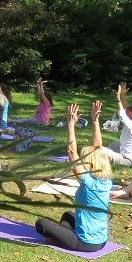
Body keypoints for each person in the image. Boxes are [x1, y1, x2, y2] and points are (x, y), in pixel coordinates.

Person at [35, 102, 112, 252]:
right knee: (67, 215)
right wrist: (95, 121)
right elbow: (98, 149)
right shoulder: (106, 180)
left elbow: (71, 153)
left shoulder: (88, 181)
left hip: (86, 244)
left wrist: (71, 124)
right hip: (101, 241)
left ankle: (60, 239)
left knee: (41, 223)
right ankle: (62, 235)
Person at [101, 82, 132, 167]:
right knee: (113, 145)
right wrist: (123, 95)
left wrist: (118, 98)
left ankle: (104, 159)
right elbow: (127, 109)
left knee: (100, 150)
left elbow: (122, 113)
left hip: (129, 160)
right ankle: (108, 158)